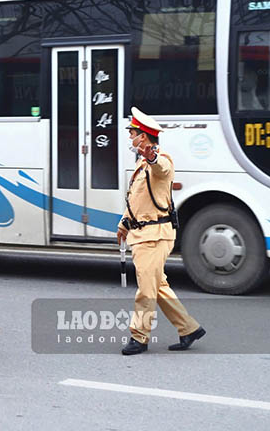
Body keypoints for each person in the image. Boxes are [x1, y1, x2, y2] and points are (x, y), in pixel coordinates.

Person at [117, 107, 206, 355]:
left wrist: (153, 158)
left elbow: (163, 169)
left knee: (145, 289)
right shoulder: (140, 164)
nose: (130, 138)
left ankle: (139, 336)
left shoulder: (159, 159)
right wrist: (124, 223)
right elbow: (137, 200)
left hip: (155, 235)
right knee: (158, 286)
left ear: (143, 137)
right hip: (143, 234)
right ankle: (188, 328)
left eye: (132, 133)